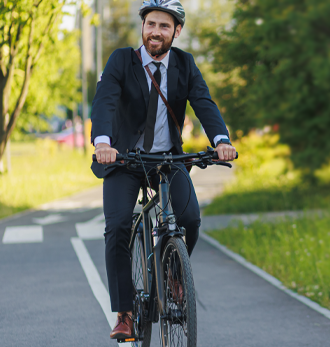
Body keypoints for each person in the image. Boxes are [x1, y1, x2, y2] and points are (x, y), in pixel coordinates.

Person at [90, 0, 236, 339]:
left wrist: (220, 139)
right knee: (118, 229)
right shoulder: (122, 61)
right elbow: (105, 101)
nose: (156, 31)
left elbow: (203, 102)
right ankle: (124, 312)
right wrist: (102, 143)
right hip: (124, 160)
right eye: (151, 24)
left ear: (177, 31)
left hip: (168, 159)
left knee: (190, 219)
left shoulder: (185, 64)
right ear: (143, 26)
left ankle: (172, 272)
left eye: (164, 26)